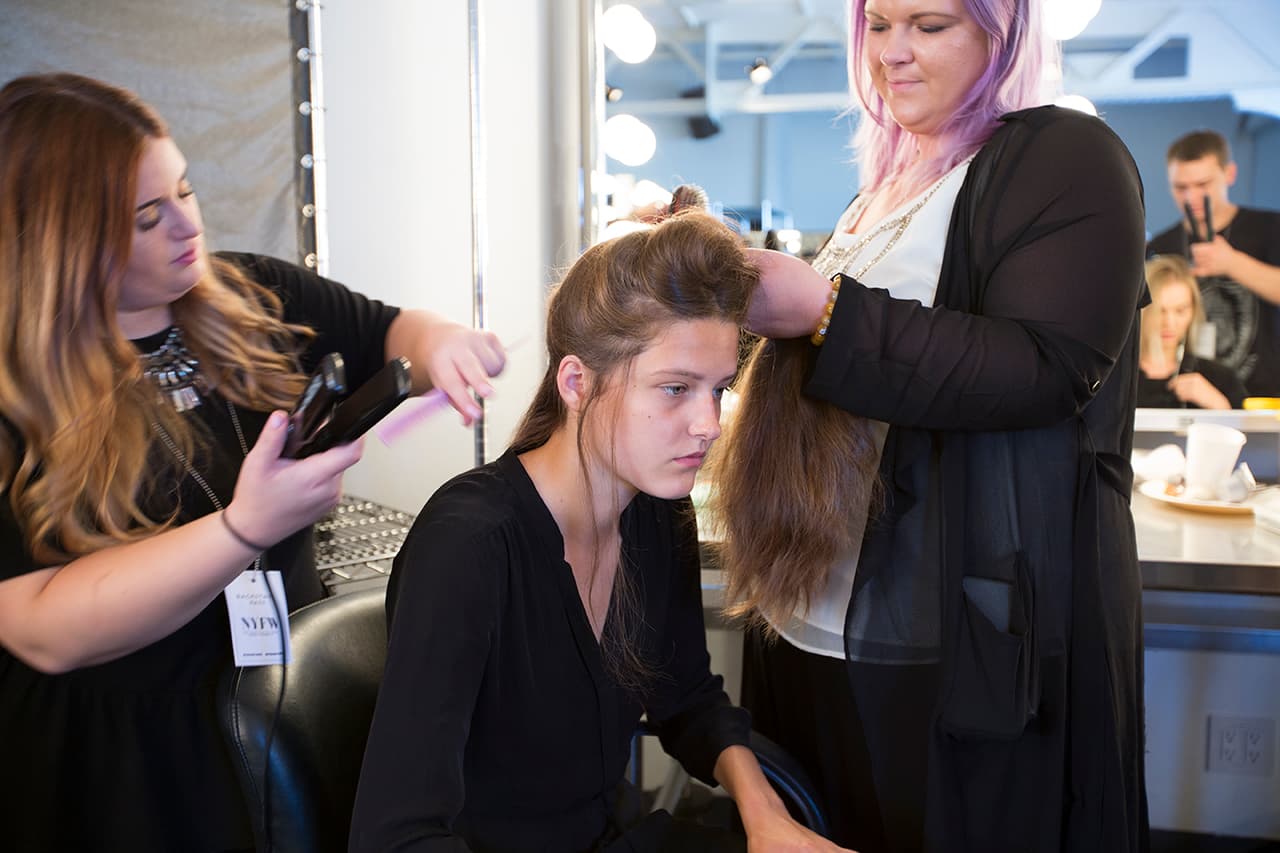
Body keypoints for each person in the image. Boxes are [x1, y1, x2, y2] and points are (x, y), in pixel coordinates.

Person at [0, 72, 505, 853]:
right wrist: (242, 530)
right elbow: (42, 629)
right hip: (125, 762)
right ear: (57, 240)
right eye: (145, 216)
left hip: (278, 698)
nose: (186, 225)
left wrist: (444, 346)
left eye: (186, 190)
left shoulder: (252, 295)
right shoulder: (15, 389)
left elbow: (393, 330)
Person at [704, 1, 1150, 851]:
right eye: (878, 25)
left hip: (951, 636)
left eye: (930, 26)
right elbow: (847, 365)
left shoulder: (1068, 158)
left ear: (1001, 32)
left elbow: (1044, 366)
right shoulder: (884, 187)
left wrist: (826, 309)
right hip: (813, 611)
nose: (892, 54)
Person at [349, 211, 849, 852]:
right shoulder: (469, 544)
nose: (709, 424)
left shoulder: (656, 514)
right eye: (675, 389)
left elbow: (689, 697)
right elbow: (396, 835)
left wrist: (765, 817)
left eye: (718, 389)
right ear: (577, 382)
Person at [1147, 129, 1280, 396]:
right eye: (1181, 187)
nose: (1191, 198)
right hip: (1186, 395)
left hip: (1263, 397)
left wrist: (1232, 263)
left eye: (1202, 185)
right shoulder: (1160, 247)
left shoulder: (1269, 228)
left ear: (1229, 174)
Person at [1137, 255, 1246, 409]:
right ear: (1141, 312)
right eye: (1160, 311)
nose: (1169, 322)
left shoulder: (1220, 379)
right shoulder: (1115, 380)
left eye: (1180, 311)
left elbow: (1245, 431)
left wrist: (1218, 404)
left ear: (1193, 312)